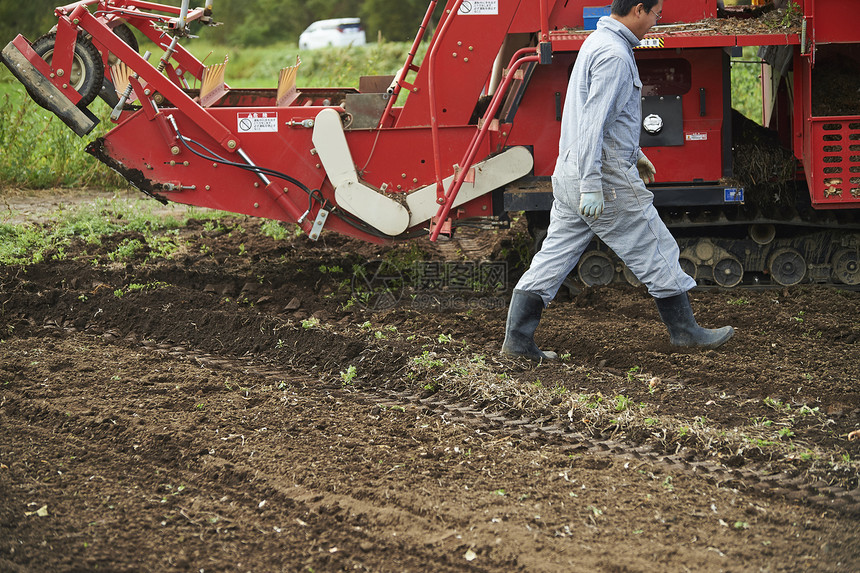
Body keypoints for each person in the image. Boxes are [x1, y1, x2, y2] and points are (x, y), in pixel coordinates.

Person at [502, 0, 734, 361]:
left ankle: (517, 341)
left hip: (570, 170)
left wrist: (635, 154)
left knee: (552, 258)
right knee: (655, 246)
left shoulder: (597, 42)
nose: (656, 24)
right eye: (656, 15)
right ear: (638, 9)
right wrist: (593, 183)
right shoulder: (614, 55)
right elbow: (594, 122)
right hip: (602, 177)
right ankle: (686, 332)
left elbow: (591, 116)